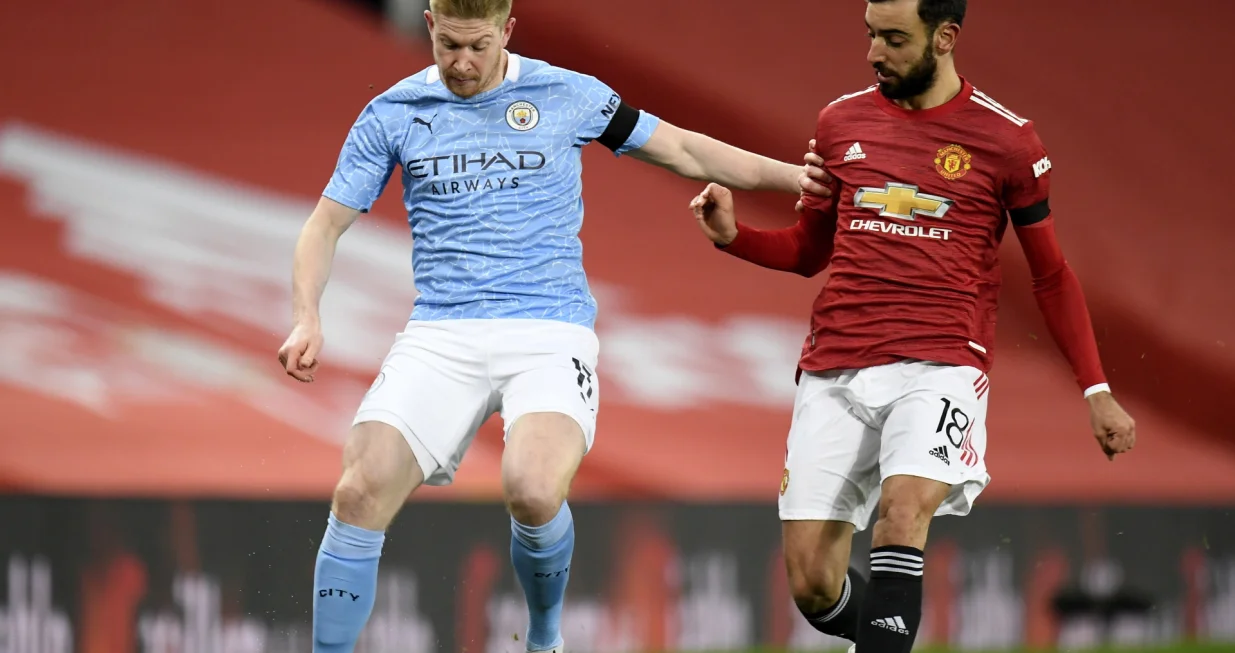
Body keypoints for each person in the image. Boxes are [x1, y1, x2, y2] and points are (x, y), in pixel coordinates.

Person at [275, 0, 818, 651]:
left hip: (547, 332)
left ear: (506, 30)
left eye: (477, 45)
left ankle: (543, 637)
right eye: (448, 45)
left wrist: (799, 179)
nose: (462, 62)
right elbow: (323, 225)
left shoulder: (567, 94)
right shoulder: (391, 113)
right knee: (359, 488)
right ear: (428, 26)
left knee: (531, 490)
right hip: (441, 334)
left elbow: (680, 148)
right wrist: (306, 314)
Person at [689, 1, 1137, 651]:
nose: (875, 53)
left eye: (895, 39)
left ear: (945, 37)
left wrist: (1095, 390)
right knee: (813, 583)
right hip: (834, 363)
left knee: (902, 513)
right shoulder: (839, 122)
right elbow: (810, 252)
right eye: (871, 35)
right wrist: (734, 237)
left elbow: (1051, 276)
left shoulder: (1007, 142)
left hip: (940, 364)